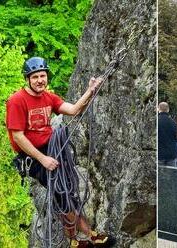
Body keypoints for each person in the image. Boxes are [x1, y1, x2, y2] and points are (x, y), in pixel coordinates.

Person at [6, 57, 108, 248]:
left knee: (67, 191)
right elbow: (18, 137)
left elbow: (74, 110)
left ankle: (73, 240)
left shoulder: (48, 97)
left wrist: (90, 90)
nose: (39, 80)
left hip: (51, 149)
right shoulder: (17, 101)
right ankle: (89, 234)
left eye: (42, 76)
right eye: (35, 77)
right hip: (34, 157)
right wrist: (43, 159)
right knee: (64, 193)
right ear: (27, 79)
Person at [158, 102, 177, 167]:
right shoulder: (173, 123)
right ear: (168, 110)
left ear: (158, 109)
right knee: (171, 176)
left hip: (159, 154)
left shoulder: (157, 121)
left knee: (160, 176)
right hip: (171, 154)